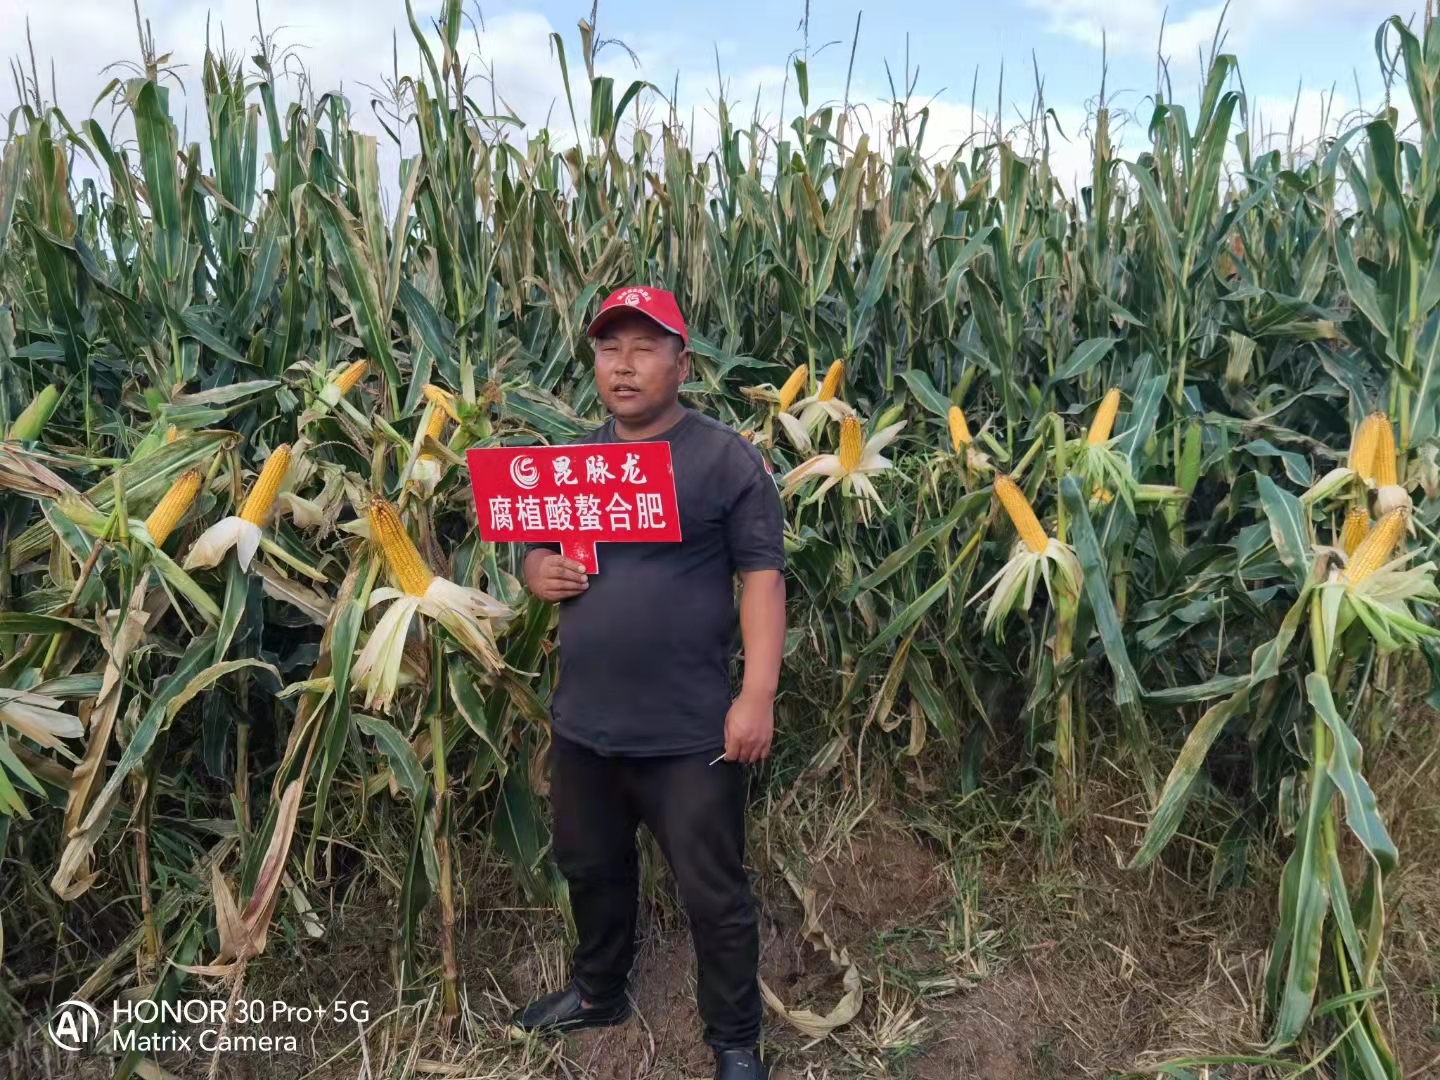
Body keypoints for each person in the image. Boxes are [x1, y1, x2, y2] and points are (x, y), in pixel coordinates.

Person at [511, 286, 787, 1080]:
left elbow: (763, 577)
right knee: (590, 868)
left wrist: (756, 694)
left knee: (713, 892)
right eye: (609, 349)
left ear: (681, 363)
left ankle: (734, 1039)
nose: (623, 365)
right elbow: (532, 549)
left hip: (689, 729)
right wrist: (537, 570)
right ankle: (598, 992)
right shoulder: (576, 463)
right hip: (585, 723)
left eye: (642, 348)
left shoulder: (723, 459)